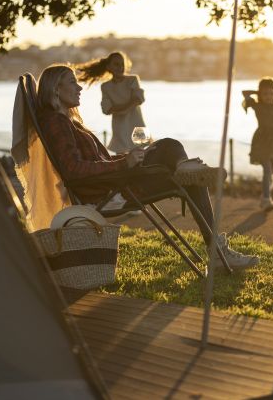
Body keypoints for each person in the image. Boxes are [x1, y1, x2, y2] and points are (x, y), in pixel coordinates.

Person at [36, 64, 259, 270]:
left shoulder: (68, 122)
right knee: (172, 150)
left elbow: (95, 163)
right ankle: (216, 249)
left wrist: (129, 157)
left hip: (116, 183)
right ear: (56, 89)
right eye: (72, 82)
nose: (79, 87)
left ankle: (187, 172)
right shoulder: (57, 122)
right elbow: (74, 170)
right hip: (111, 193)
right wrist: (125, 163)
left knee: (172, 158)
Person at [75, 52, 146, 154]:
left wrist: (118, 109)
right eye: (116, 64)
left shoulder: (133, 79)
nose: (120, 67)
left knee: (141, 159)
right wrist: (126, 106)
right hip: (119, 128)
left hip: (138, 126)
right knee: (122, 162)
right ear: (109, 67)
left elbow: (138, 99)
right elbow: (107, 110)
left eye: (122, 64)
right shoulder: (106, 86)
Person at [242, 78, 273, 211]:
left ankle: (265, 194)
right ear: (260, 95)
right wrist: (259, 92)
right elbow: (245, 92)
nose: (268, 97)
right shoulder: (258, 106)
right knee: (267, 170)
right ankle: (266, 199)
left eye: (271, 94)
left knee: (271, 172)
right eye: (264, 94)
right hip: (262, 141)